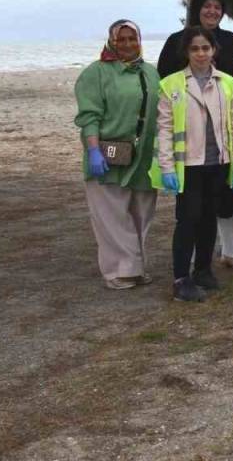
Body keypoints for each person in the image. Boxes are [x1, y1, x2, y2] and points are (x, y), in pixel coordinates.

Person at [155, 0, 233, 270]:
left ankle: (229, 254)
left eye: (217, 7)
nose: (212, 11)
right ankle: (188, 264)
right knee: (190, 214)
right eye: (206, 6)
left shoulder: (231, 41)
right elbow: (166, 90)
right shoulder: (175, 43)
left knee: (226, 203)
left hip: (222, 138)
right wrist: (167, 164)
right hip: (189, 146)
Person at [75, 19, 161, 290]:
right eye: (121, 39)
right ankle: (120, 271)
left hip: (143, 157)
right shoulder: (96, 73)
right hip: (108, 154)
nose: (127, 44)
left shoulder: (150, 72)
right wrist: (93, 150)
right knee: (111, 216)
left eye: (132, 38)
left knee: (141, 213)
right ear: (111, 41)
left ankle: (136, 266)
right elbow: (89, 116)